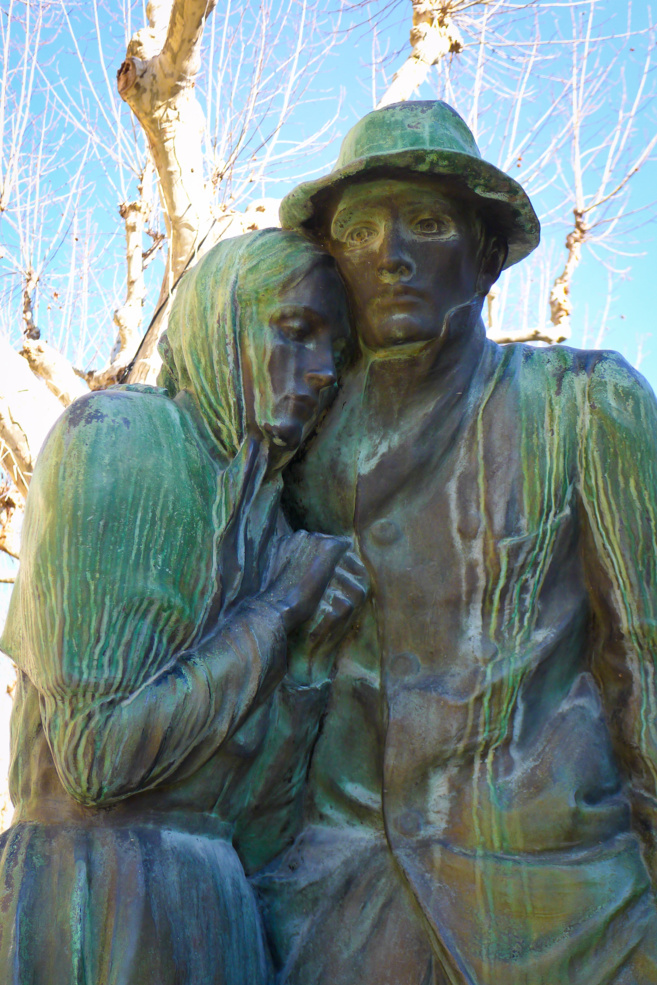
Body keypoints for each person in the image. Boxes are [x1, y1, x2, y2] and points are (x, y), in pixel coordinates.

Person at [254, 101, 657, 984]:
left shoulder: (584, 403)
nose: (390, 253)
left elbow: (647, 656)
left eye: (427, 224)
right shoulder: (291, 442)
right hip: (334, 893)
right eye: (359, 231)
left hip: (566, 899)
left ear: (483, 258)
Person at [0, 228, 366, 985]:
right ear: (222, 321)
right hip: (94, 896)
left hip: (213, 905)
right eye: (294, 331)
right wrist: (275, 613)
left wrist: (306, 655)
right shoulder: (118, 439)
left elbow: (260, 832)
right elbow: (99, 758)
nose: (323, 370)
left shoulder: (273, 528)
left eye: (337, 348)